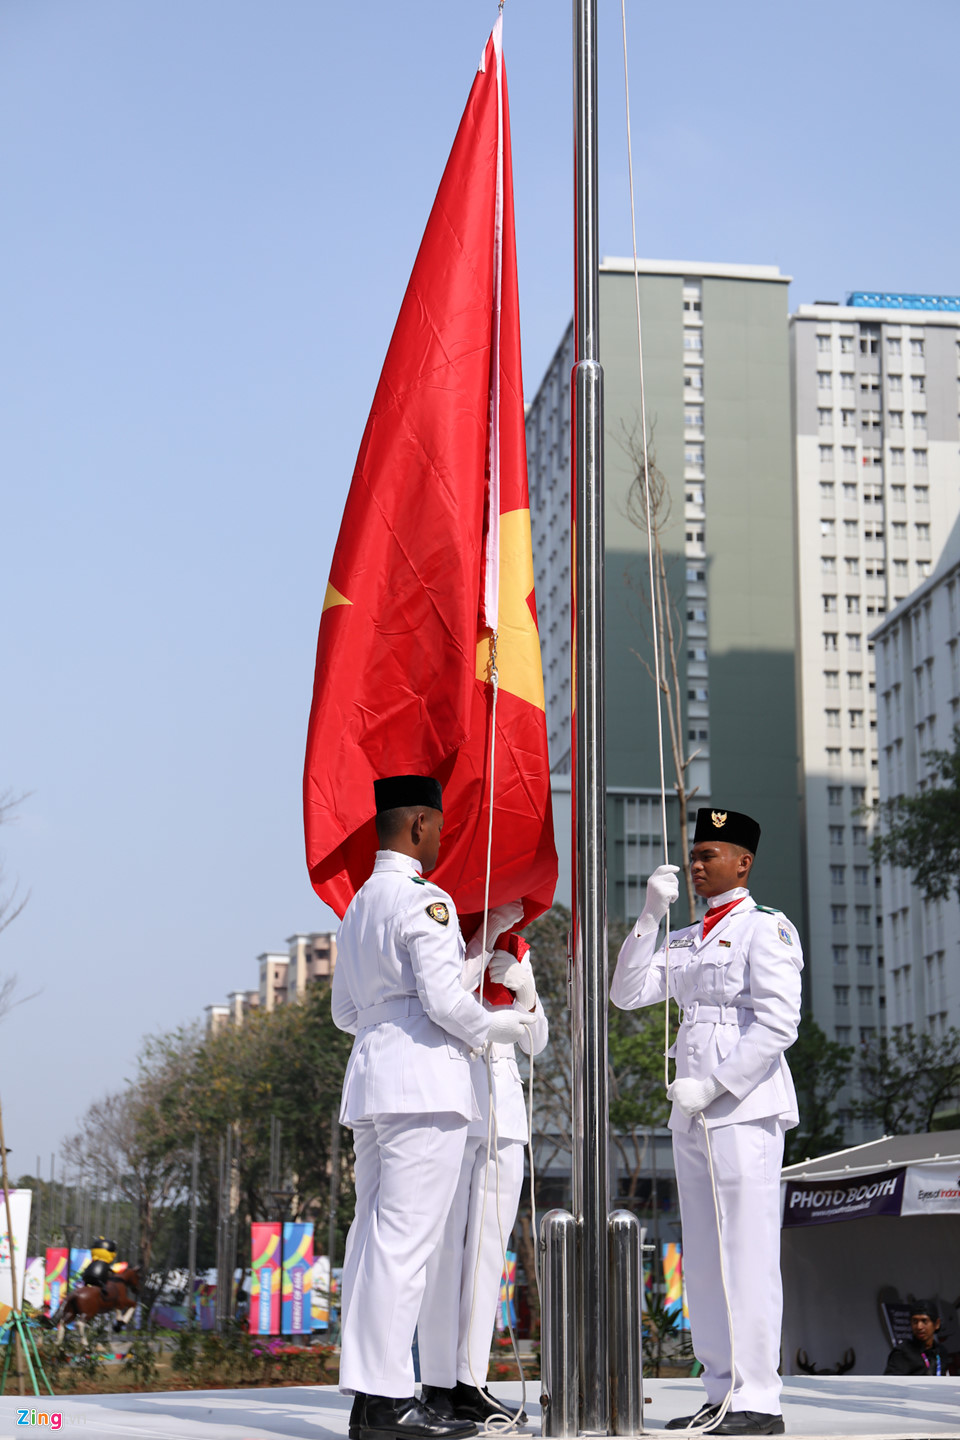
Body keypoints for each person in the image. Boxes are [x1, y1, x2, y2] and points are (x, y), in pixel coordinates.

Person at [331, 775, 535, 1440]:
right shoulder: (427, 900)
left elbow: (343, 1012)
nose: (443, 837)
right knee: (404, 1245)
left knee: (372, 1242)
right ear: (418, 824)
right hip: (424, 1084)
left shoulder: (360, 905)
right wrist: (499, 1027)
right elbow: (448, 1005)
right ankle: (388, 1405)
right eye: (438, 825)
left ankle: (369, 1398)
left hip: (372, 1080)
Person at [611, 808, 803, 1437]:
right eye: (694, 855)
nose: (696, 865)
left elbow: (779, 1023)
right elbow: (626, 992)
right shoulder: (689, 936)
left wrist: (715, 1085)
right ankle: (721, 1390)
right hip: (691, 1114)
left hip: (742, 1107)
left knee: (747, 1252)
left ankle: (758, 1399)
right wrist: (648, 918)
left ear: (743, 863)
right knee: (703, 1256)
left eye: (710, 854)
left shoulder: (763, 930)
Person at [418, 929, 549, 1424]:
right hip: (454, 1102)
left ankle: (470, 1379)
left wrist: (526, 991)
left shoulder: (516, 951)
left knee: (489, 1253)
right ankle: (436, 1383)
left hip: (505, 1113)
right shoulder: (445, 939)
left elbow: (537, 1042)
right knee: (444, 1252)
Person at [884, 1300, 951, 1376]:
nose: (919, 1327)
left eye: (924, 1321)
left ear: (937, 1324)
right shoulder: (902, 1353)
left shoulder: (941, 1352)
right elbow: (891, 1385)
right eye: (915, 1321)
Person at [82, 1237, 118, 1307]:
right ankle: (104, 1293)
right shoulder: (105, 1264)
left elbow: (85, 1269)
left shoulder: (93, 1263)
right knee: (105, 1289)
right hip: (98, 1279)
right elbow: (111, 1271)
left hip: (87, 1277)